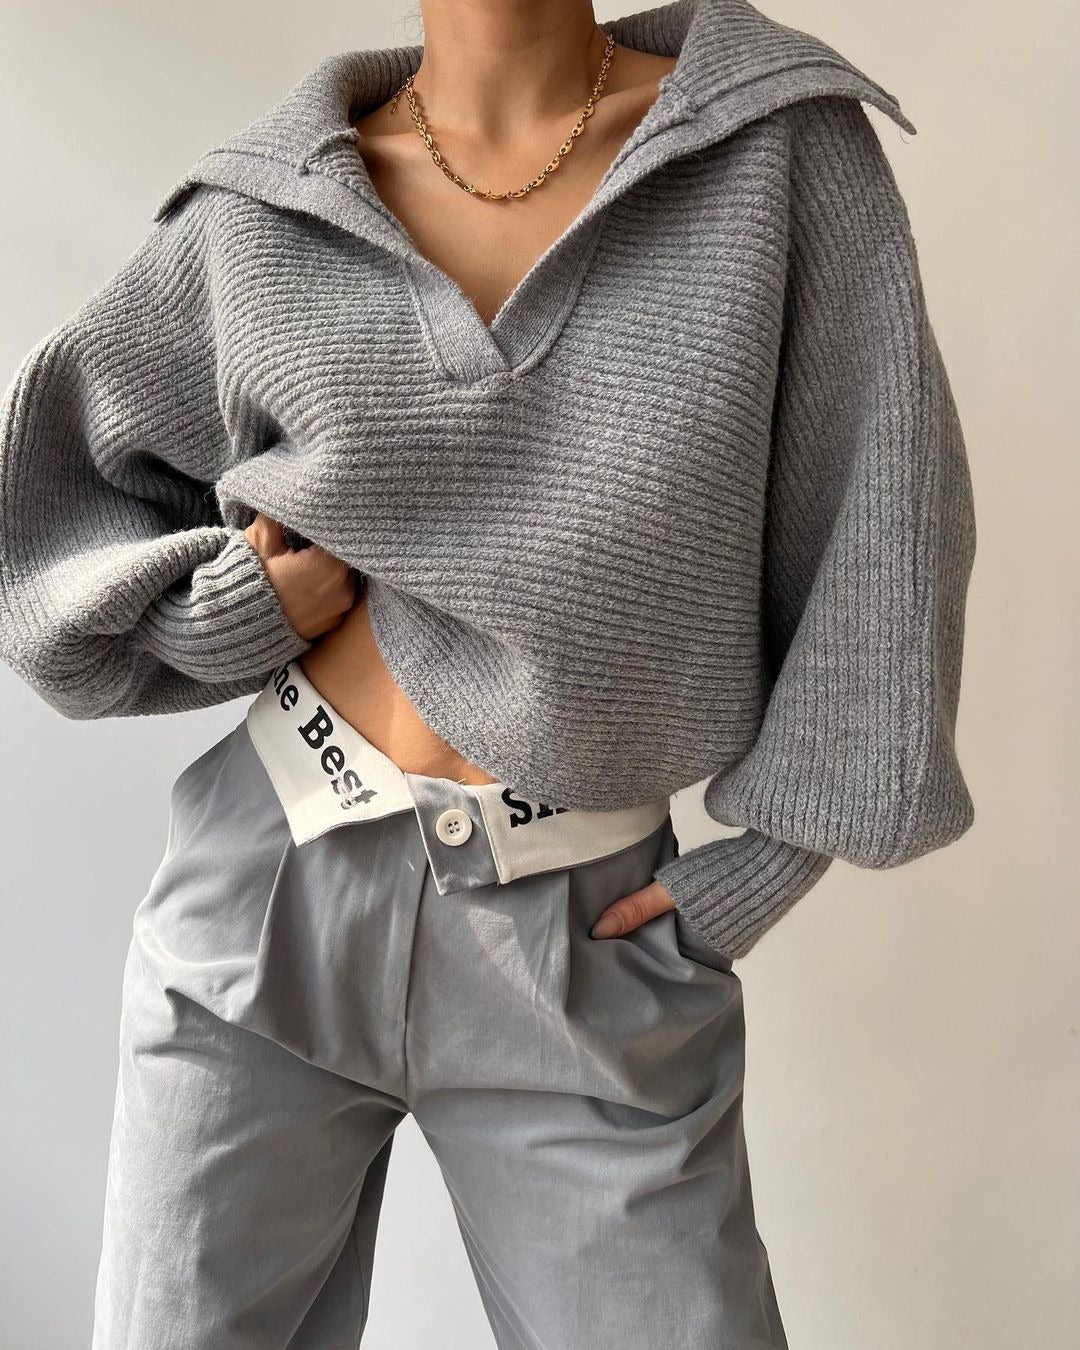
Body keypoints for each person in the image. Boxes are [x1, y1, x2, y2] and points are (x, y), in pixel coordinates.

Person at [0, 0, 977, 1345]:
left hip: (588, 932)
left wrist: (765, 864)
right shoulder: (269, 209)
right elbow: (43, 510)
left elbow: (889, 515)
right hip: (265, 893)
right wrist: (236, 606)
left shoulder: (772, 156)